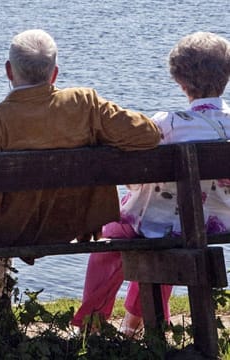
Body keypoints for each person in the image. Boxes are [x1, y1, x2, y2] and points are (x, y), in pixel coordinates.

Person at [0, 29, 160, 259]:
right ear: (54, 74)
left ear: (8, 71)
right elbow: (147, 134)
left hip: (11, 233)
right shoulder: (84, 104)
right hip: (68, 226)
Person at [72, 31, 230, 337]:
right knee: (174, 228)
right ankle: (134, 323)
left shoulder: (167, 124)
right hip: (218, 222)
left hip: (160, 224)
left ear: (180, 81)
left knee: (115, 235)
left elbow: (134, 180)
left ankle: (91, 323)